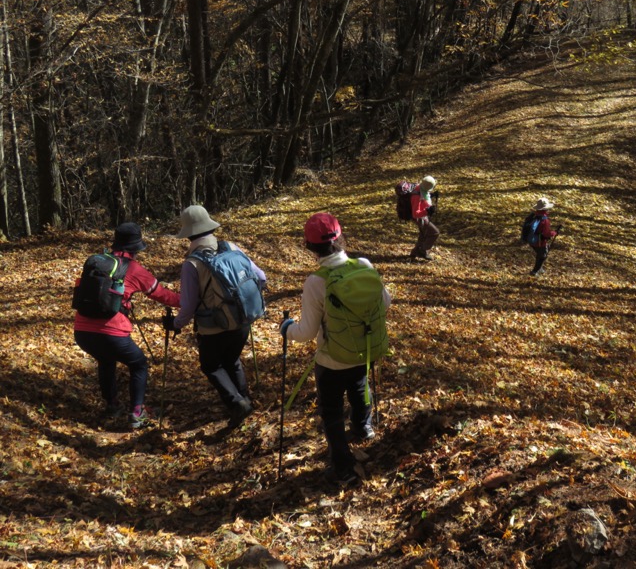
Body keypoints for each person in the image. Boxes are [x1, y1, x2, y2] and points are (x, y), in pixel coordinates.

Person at [280, 213, 391, 486]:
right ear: (340, 236)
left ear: (308, 246)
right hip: (364, 350)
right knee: (359, 388)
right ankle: (363, 427)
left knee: (331, 412)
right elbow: (384, 303)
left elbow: (305, 333)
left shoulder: (316, 282)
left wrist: (286, 328)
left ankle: (343, 468)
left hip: (331, 361)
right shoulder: (364, 265)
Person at [166, 205, 267, 428]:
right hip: (242, 319)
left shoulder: (192, 264)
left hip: (213, 327)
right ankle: (245, 400)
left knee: (211, 365)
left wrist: (176, 324)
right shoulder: (231, 247)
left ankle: (237, 404)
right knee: (232, 360)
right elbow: (261, 277)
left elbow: (189, 305)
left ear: (189, 233)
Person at [74, 222, 181, 429]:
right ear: (135, 249)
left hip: (82, 331)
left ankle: (112, 406)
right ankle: (136, 413)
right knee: (138, 364)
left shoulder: (96, 262)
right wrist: (186, 301)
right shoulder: (134, 269)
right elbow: (162, 295)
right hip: (111, 332)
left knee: (105, 360)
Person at [524, 197, 559, 276]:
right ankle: (535, 271)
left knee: (539, 254)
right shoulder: (544, 220)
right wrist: (554, 233)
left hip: (531, 240)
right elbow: (546, 233)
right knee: (543, 255)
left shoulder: (534, 216)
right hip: (540, 242)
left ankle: (540, 268)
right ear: (545, 209)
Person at [409, 175, 439, 260]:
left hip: (423, 217)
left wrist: (432, 195)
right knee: (434, 232)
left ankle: (414, 253)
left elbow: (424, 197)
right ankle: (422, 251)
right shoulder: (416, 196)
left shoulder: (421, 188)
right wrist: (427, 211)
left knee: (423, 235)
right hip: (420, 218)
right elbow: (415, 214)